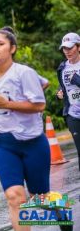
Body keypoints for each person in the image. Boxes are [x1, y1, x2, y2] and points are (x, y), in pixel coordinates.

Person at [0, 27, 50, 231]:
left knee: (40, 199)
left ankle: (62, 215)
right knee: (14, 197)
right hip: (4, 143)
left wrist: (9, 103)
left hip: (33, 143)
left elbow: (39, 105)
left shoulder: (24, 72)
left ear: (12, 48)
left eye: (0, 44)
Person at [56, 32, 80, 171]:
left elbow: (75, 81)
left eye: (70, 48)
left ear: (78, 47)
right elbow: (63, 86)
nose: (67, 51)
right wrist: (60, 93)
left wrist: (76, 79)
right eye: (64, 48)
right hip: (73, 114)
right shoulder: (63, 68)